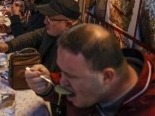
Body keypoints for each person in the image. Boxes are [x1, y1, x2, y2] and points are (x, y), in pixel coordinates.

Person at [25, 24, 155, 116]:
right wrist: (46, 86)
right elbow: (65, 91)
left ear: (107, 77)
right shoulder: (98, 71)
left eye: (71, 75)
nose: (62, 80)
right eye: (62, 71)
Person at [0, 0, 81, 72]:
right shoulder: (56, 29)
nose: (45, 22)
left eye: (49, 19)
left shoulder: (78, 50)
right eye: (45, 17)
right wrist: (8, 46)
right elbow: (33, 36)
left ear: (68, 24)